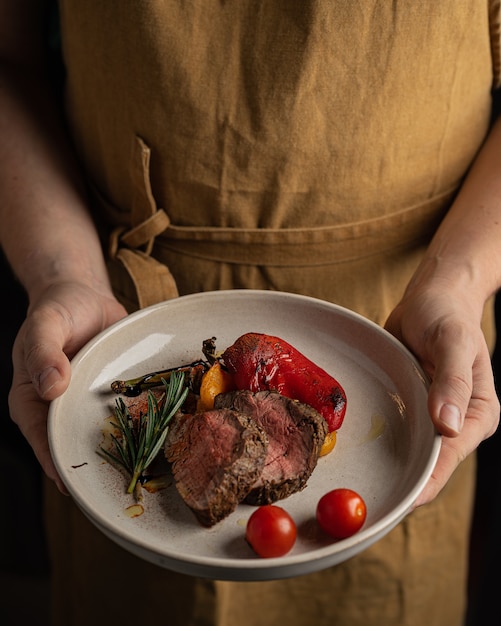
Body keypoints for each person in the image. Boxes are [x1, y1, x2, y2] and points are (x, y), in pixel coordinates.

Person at [1, 1, 500, 625]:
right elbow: (9, 61)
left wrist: (457, 283)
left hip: (403, 322)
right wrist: (61, 274)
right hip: (114, 315)